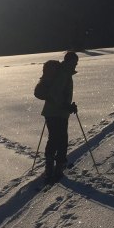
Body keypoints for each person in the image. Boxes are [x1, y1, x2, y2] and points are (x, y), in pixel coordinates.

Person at [41, 51, 79, 183]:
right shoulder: (63, 74)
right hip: (56, 113)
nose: (76, 64)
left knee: (57, 139)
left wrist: (68, 106)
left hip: (55, 113)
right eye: (74, 62)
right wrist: (66, 106)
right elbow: (55, 94)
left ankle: (53, 167)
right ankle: (54, 168)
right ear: (68, 61)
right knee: (59, 140)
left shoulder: (65, 73)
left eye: (76, 62)